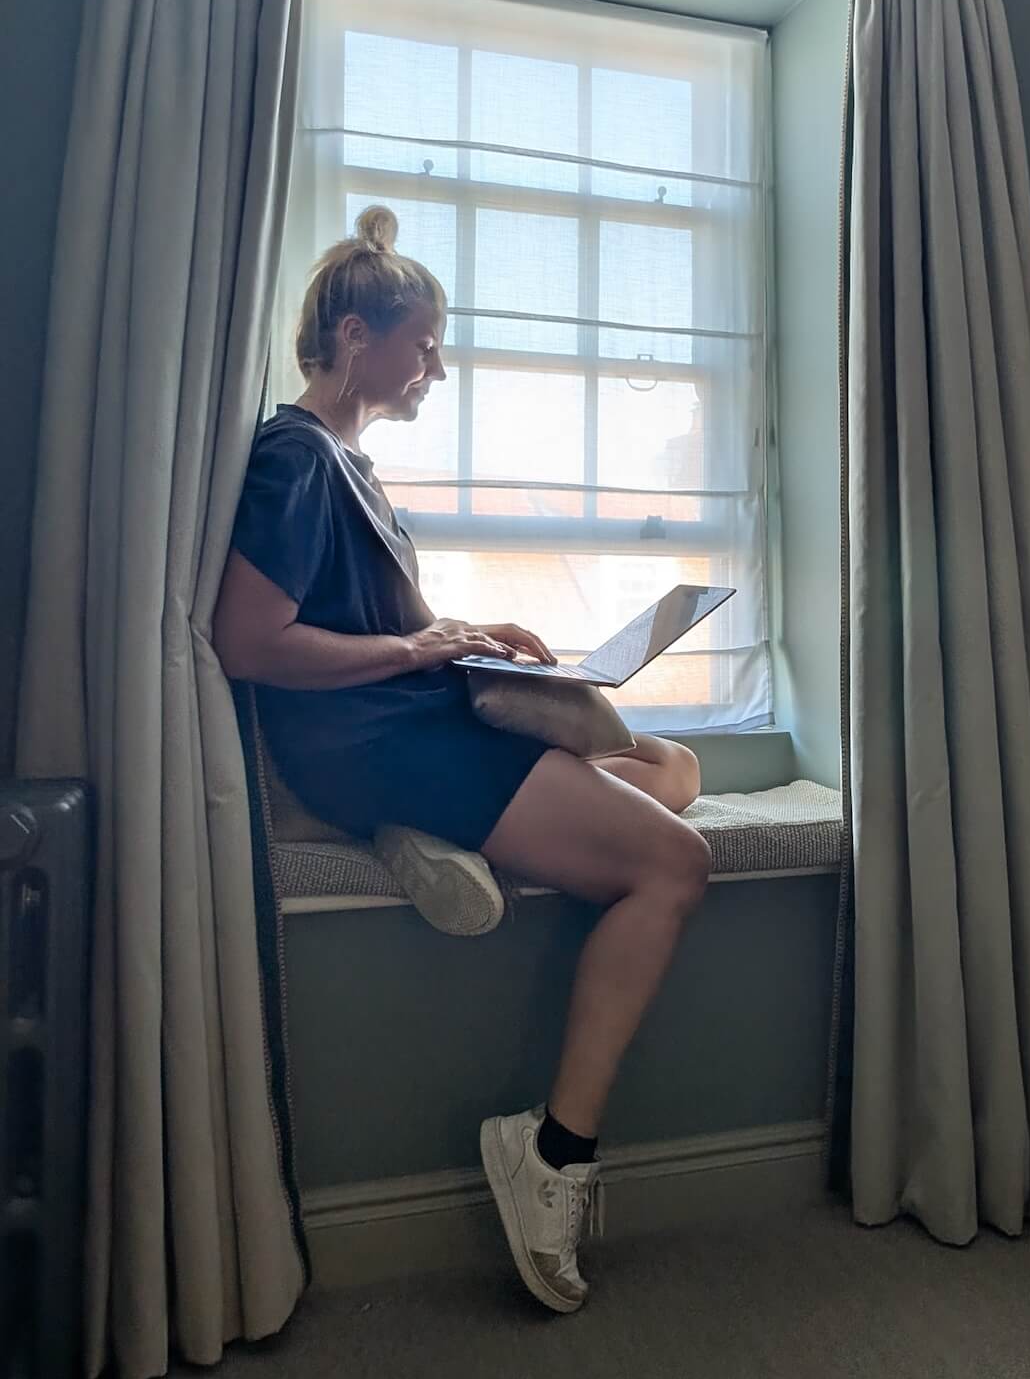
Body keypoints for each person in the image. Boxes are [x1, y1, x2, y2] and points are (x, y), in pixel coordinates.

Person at [214, 206, 711, 1314]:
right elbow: (251, 640)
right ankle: (552, 1154)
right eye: (425, 345)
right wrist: (419, 649)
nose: (436, 369)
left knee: (672, 767)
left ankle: (430, 836)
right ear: (354, 338)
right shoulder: (295, 457)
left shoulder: (352, 466)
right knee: (675, 864)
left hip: (416, 722)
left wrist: (472, 636)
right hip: (378, 743)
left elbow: (382, 623)